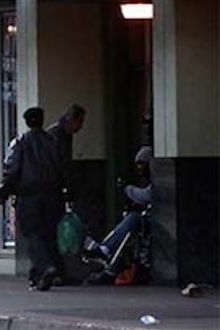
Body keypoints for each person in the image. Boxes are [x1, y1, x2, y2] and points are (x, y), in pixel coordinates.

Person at [1, 107, 63, 292]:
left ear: (27, 122)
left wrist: (4, 192)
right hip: (52, 194)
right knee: (48, 233)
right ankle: (38, 275)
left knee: (32, 234)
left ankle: (45, 267)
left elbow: (12, 170)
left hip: (29, 196)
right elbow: (62, 166)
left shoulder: (21, 142)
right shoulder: (52, 141)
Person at [83, 146, 153, 281]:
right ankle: (107, 252)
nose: (139, 169)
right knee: (129, 221)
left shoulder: (157, 179)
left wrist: (128, 190)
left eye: (142, 164)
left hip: (152, 219)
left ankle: (105, 250)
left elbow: (146, 196)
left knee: (132, 219)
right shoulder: (148, 179)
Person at [47, 104, 86, 201]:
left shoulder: (64, 134)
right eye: (80, 122)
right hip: (53, 183)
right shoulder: (57, 135)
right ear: (71, 120)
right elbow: (60, 161)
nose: (81, 126)